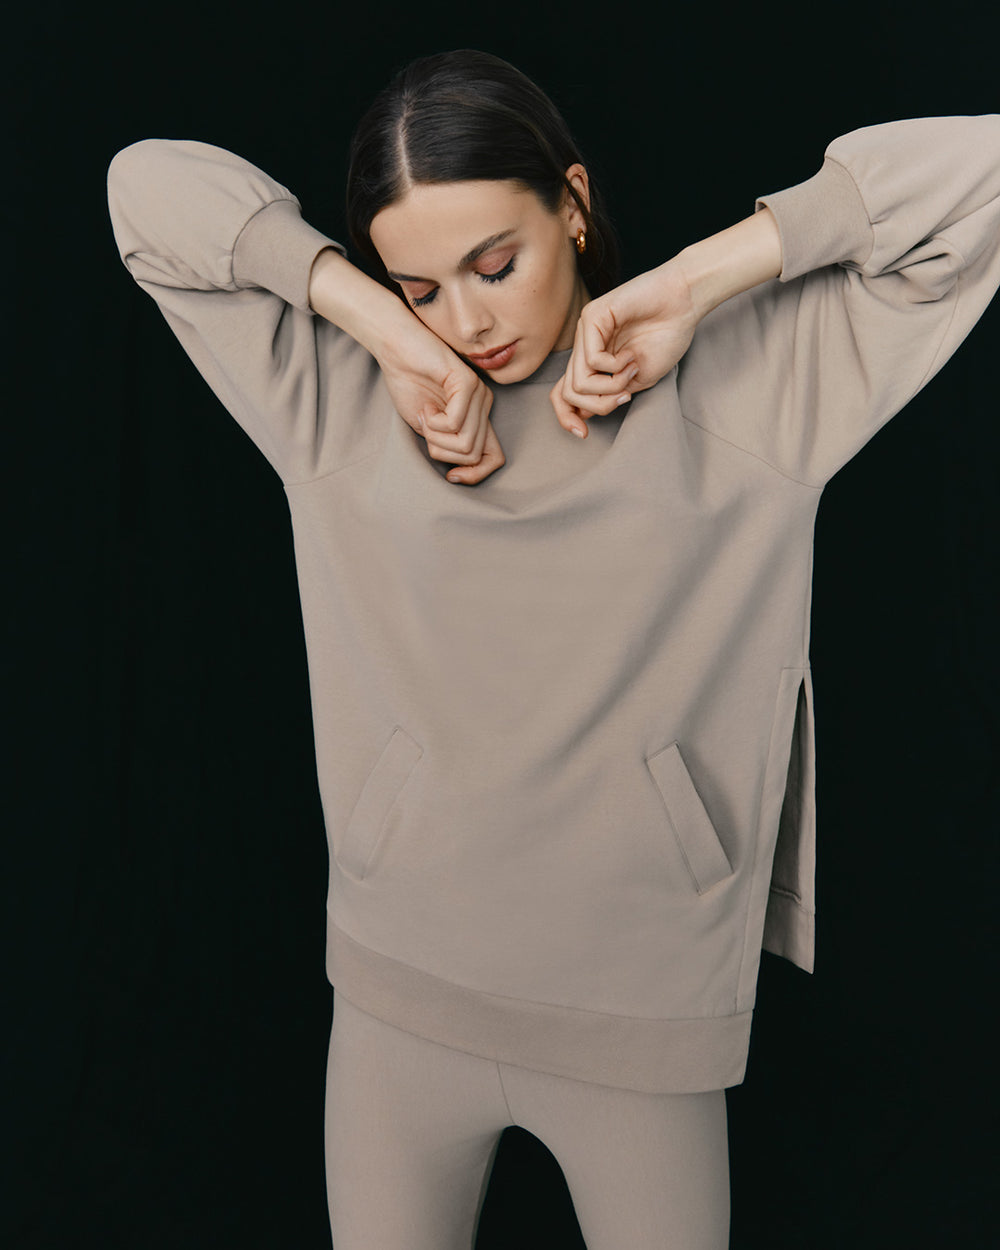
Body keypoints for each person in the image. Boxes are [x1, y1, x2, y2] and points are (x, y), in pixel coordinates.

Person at [106, 48, 1000, 1250]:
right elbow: (141, 188)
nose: (466, 322)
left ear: (572, 206)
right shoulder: (337, 396)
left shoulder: (751, 385)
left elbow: (978, 174)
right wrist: (370, 319)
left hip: (638, 1019)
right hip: (393, 1005)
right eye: (421, 283)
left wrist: (697, 280)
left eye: (494, 263)